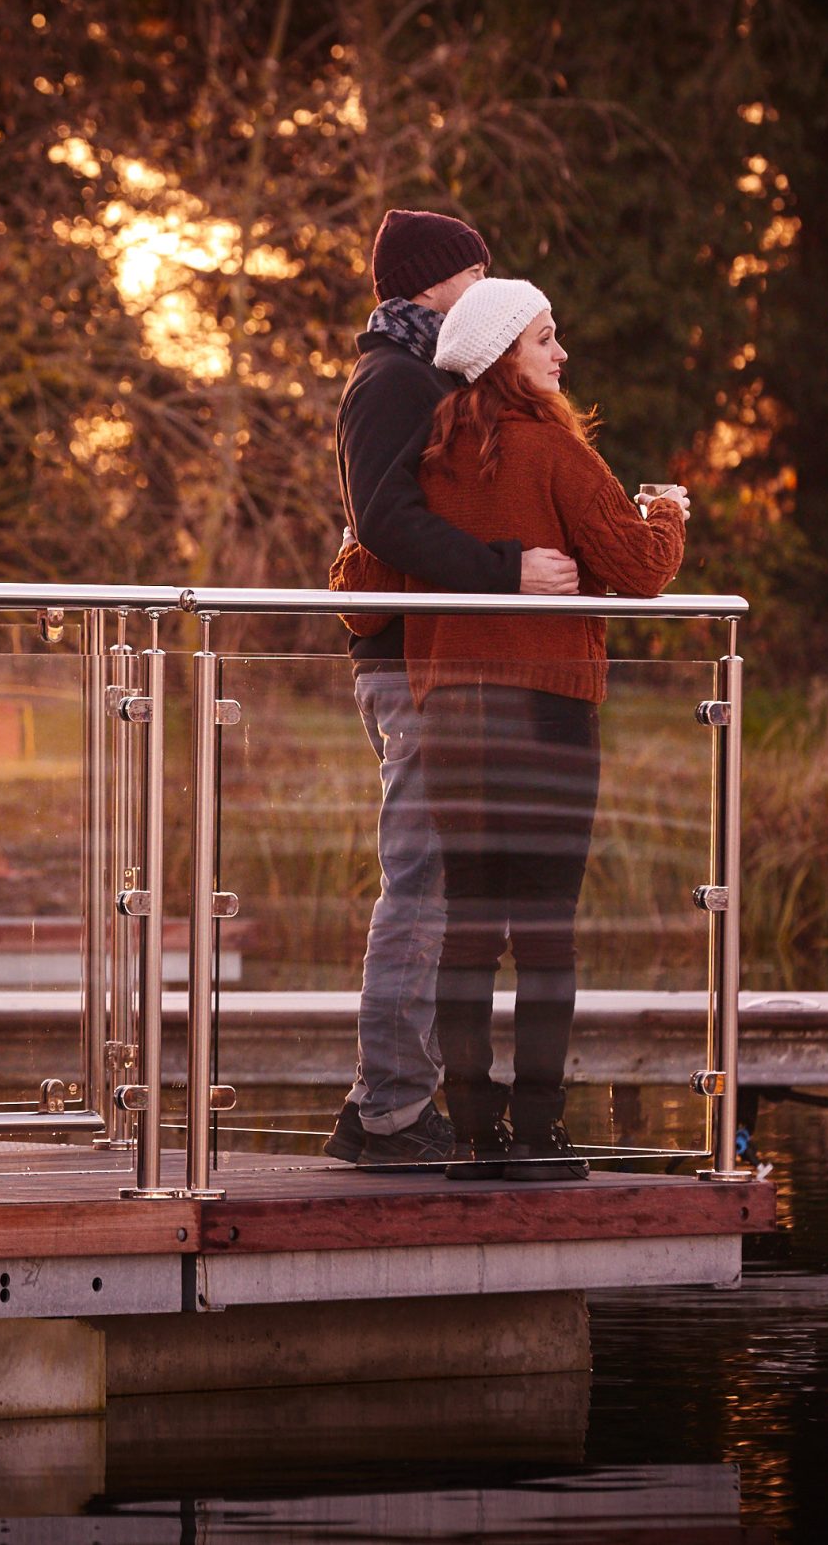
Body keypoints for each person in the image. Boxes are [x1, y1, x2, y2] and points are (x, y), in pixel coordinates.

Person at [402, 277, 687, 1180]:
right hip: (546, 711)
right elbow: (642, 569)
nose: (561, 354)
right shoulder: (554, 449)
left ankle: (472, 1129)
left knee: (469, 925)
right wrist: (667, 510)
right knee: (546, 927)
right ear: (503, 358)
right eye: (544, 339)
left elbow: (364, 568)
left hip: (452, 712)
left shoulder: (429, 457)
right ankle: (537, 1132)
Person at [324, 211, 580, 1169]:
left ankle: (394, 1102)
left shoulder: (434, 376)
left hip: (441, 663)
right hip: (409, 664)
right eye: (477, 270)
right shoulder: (391, 380)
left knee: (438, 879)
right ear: (435, 281)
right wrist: (507, 571)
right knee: (424, 879)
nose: (488, 285)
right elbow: (385, 519)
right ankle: (388, 1111)